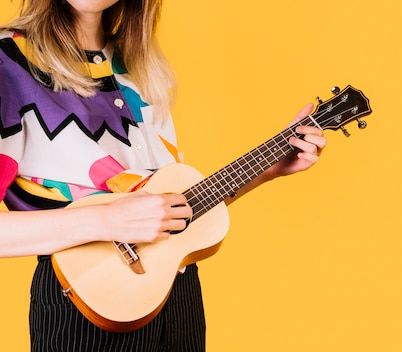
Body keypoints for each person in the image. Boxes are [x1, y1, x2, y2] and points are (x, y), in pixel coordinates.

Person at [0, 0, 327, 351]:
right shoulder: (7, 61)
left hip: (177, 294)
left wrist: (267, 171)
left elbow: (169, 210)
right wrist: (104, 220)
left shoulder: (139, 67)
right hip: (85, 301)